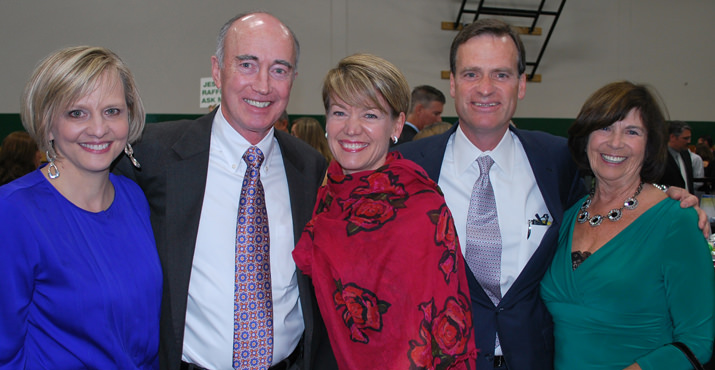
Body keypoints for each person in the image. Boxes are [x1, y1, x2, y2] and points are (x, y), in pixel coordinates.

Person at [397, 18, 706, 370]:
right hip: (438, 360)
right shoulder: (408, 167)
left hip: (537, 359)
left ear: (521, 84)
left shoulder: (557, 159)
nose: (486, 88)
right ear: (452, 83)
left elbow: (614, 198)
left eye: (501, 74)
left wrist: (672, 200)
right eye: (471, 74)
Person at [113, 12, 336, 370]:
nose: (263, 86)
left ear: (293, 78)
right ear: (217, 70)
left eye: (279, 69)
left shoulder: (309, 167)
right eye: (247, 65)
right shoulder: (153, 156)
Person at [292, 53, 477, 369]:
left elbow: (443, 323)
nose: (351, 129)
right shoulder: (322, 196)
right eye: (339, 112)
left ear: (397, 125)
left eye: (370, 115)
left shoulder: (421, 208)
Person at [0, 46, 161, 368]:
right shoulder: (13, 213)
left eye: (112, 111)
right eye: (77, 113)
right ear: (47, 123)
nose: (99, 129)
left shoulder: (133, 197)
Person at [541, 81, 715, 369]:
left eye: (632, 132)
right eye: (605, 127)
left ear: (649, 146)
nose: (615, 142)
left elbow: (698, 340)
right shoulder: (567, 216)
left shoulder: (676, 220)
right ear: (586, 139)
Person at [659, 120, 695, 193]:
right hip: (668, 200)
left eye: (689, 138)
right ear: (672, 137)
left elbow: (689, 181)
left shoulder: (686, 154)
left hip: (686, 200)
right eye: (685, 138)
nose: (689, 141)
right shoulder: (659, 157)